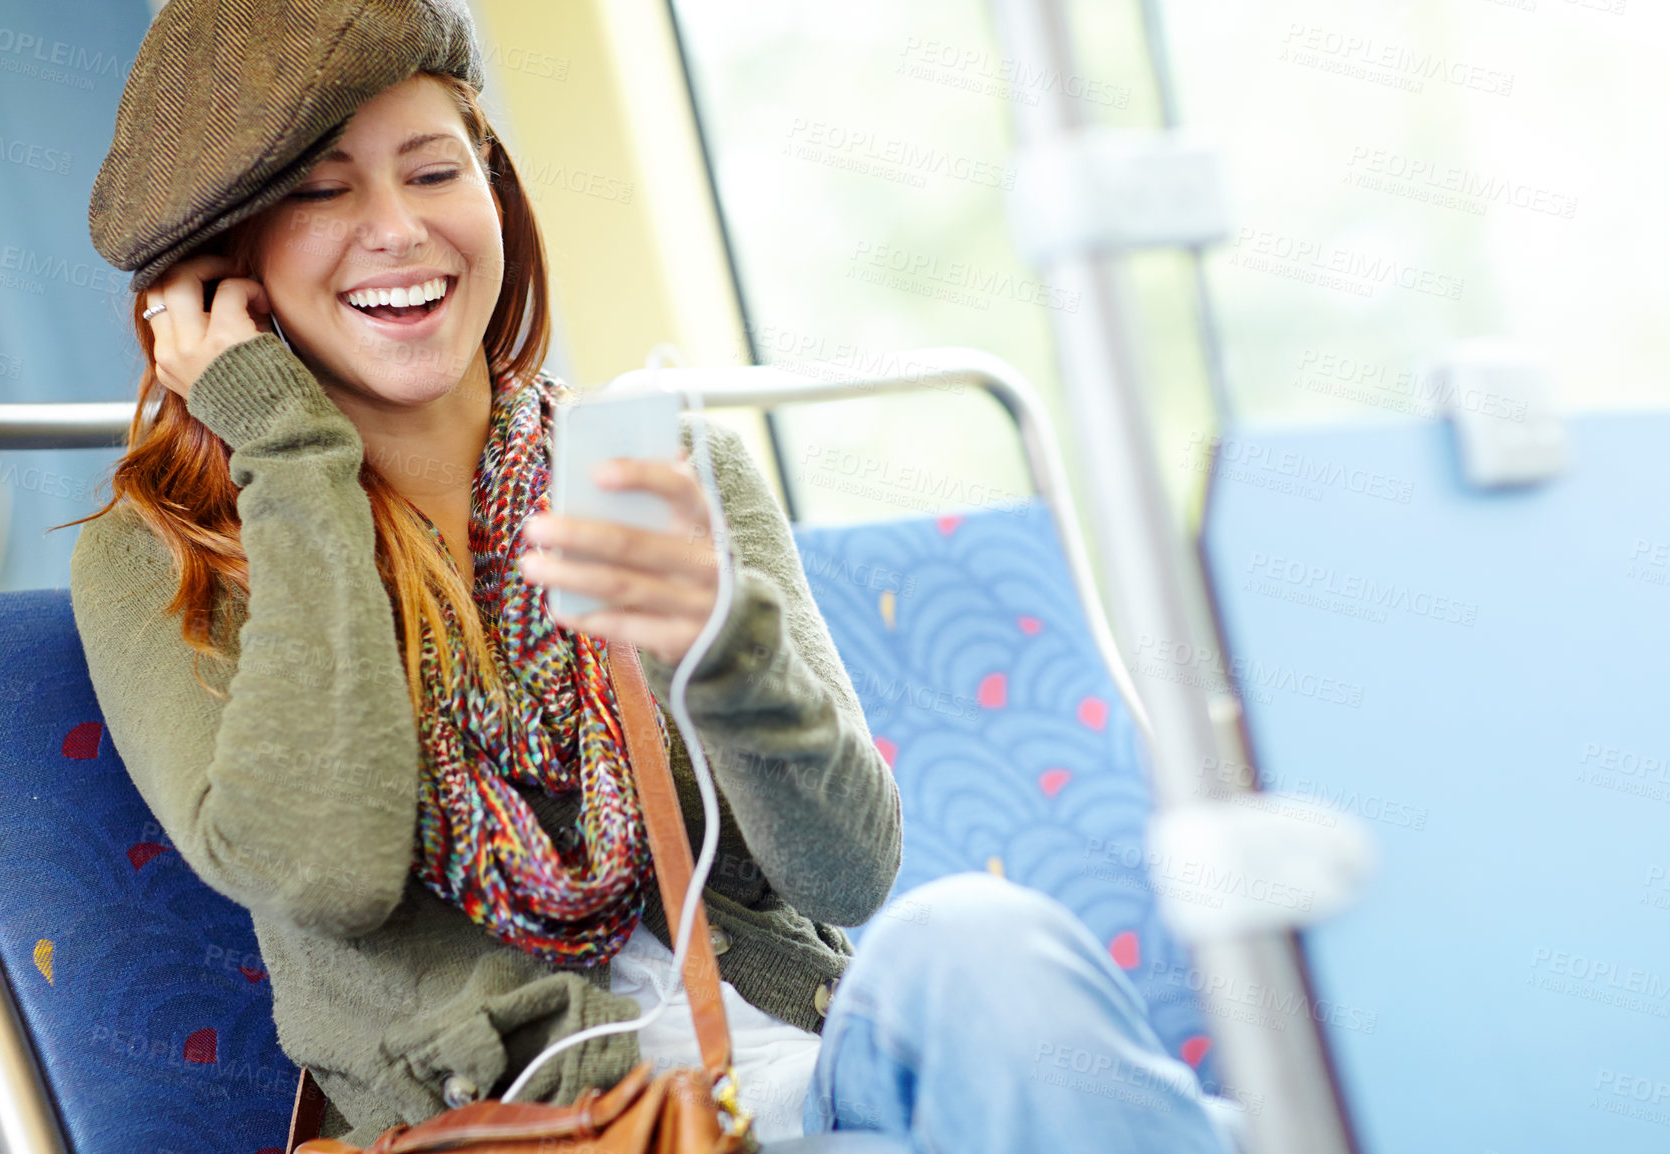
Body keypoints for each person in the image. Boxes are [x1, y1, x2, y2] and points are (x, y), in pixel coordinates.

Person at [71, 2, 1242, 1150]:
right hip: (552, 1120)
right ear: (221, 279)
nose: (397, 228)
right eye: (322, 191)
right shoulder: (166, 555)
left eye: (434, 173)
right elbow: (323, 871)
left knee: (985, 935)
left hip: (798, 1059)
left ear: (493, 194)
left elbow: (848, 871)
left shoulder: (657, 467)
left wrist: (720, 643)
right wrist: (286, 449)